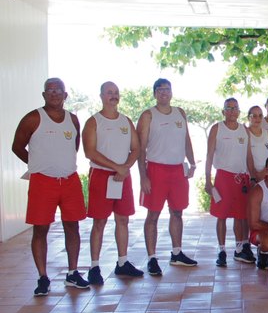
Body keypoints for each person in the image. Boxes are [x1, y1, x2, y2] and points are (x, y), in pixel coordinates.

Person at [12, 77, 90, 295]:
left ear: (66, 95)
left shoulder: (73, 120)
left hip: (69, 180)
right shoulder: (33, 118)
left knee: (72, 226)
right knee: (41, 229)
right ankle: (43, 277)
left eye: (59, 90)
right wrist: (36, 164)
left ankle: (73, 273)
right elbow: (17, 146)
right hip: (42, 181)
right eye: (50, 90)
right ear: (44, 95)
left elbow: (74, 147)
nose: (54, 94)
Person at [82, 81, 143, 284]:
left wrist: (124, 167)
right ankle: (94, 266)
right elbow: (89, 151)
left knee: (123, 220)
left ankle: (122, 262)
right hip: (101, 176)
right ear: (101, 96)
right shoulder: (93, 122)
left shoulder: (126, 121)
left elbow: (136, 148)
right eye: (109, 93)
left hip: (122, 177)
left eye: (116, 92)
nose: (113, 96)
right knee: (99, 222)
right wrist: (116, 167)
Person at [136, 78, 198, 275]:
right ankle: (152, 258)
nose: (164, 92)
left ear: (172, 92)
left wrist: (192, 162)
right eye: (160, 89)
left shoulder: (180, 113)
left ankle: (177, 252)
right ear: (155, 93)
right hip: (156, 170)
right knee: (153, 215)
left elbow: (186, 139)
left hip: (178, 170)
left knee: (177, 212)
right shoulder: (148, 115)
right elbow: (140, 148)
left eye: (167, 89)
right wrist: (143, 176)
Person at [205, 98, 255, 268]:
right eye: (229, 108)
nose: (232, 111)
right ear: (223, 111)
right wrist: (207, 180)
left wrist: (253, 177)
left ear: (239, 112)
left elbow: (249, 157)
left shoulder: (244, 130)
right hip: (223, 178)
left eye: (235, 108)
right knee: (222, 215)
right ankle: (221, 250)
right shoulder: (217, 128)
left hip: (242, 178)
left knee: (241, 216)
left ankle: (240, 248)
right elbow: (209, 155)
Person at [246, 105, 268, 183]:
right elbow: (246, 157)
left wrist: (263, 173)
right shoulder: (245, 134)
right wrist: (254, 175)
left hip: (267, 175)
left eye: (260, 116)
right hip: (249, 176)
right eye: (254, 116)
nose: (257, 118)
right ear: (248, 117)